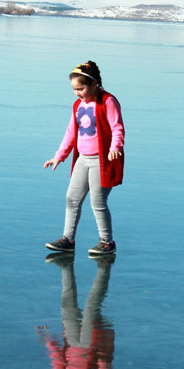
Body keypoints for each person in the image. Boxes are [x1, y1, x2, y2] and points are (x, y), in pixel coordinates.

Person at [44, 61, 124, 254]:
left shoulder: (107, 101)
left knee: (98, 202)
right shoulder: (78, 105)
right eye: (74, 89)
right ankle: (68, 240)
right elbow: (71, 132)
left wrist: (115, 147)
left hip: (102, 160)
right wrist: (59, 156)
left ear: (94, 84)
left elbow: (117, 127)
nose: (77, 93)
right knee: (72, 199)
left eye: (81, 88)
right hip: (83, 160)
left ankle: (107, 242)